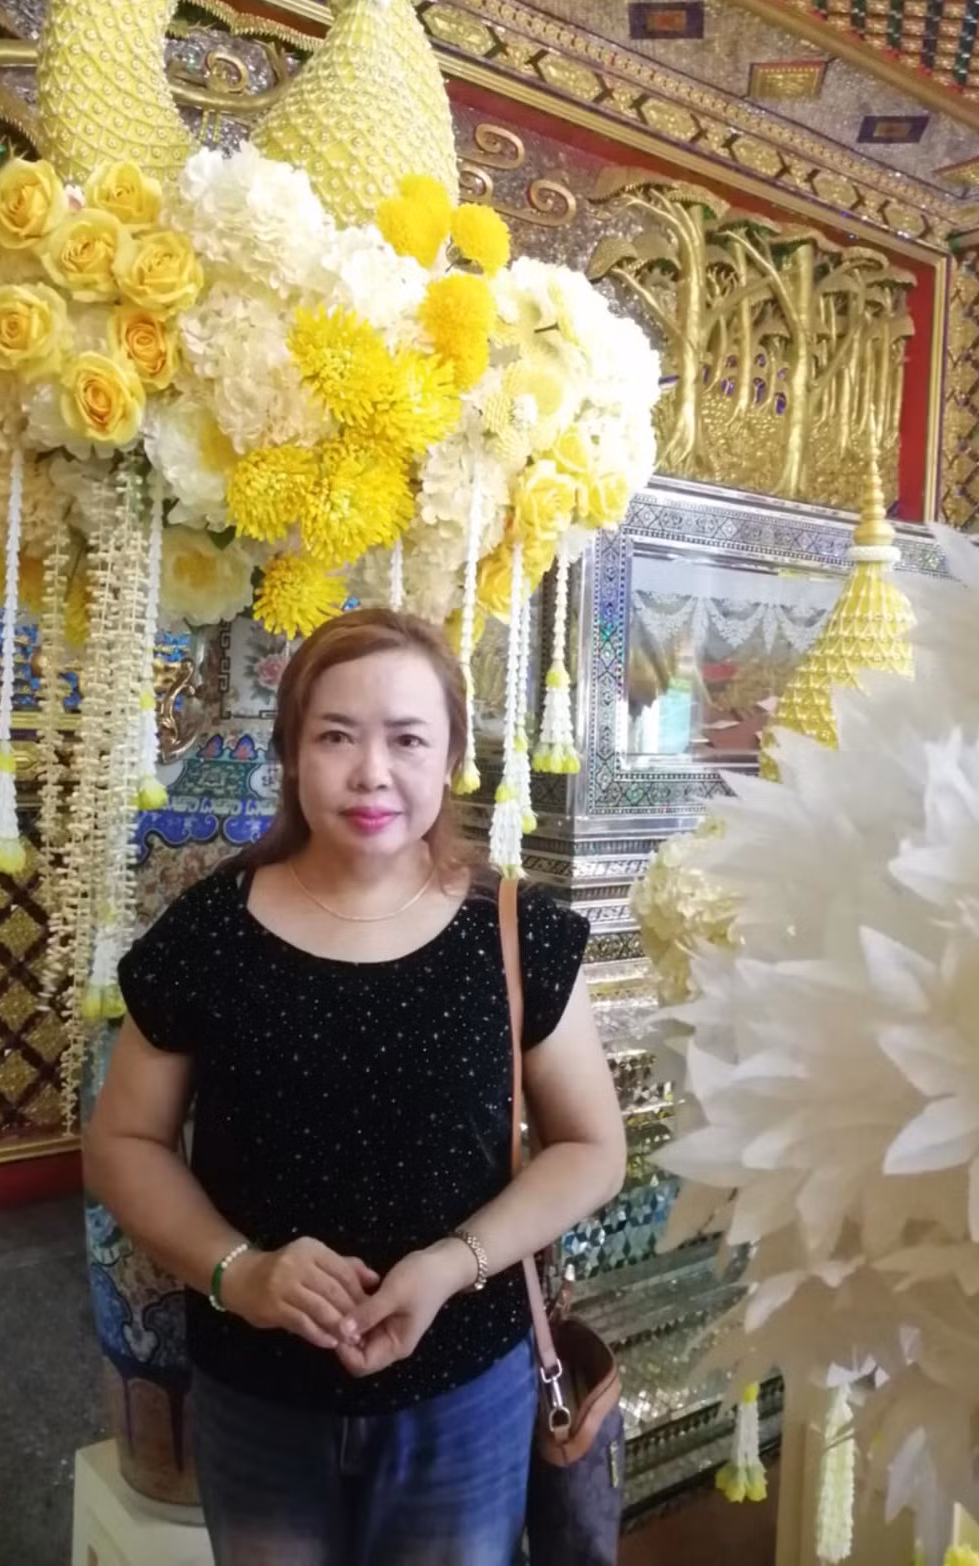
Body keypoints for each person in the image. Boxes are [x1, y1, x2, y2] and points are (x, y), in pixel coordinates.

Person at [85, 606, 628, 1566]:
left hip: (465, 1389)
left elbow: (592, 1148)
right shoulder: (210, 932)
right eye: (336, 736)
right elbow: (124, 1143)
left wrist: (452, 1264)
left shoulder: (516, 935)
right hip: (258, 1391)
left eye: (407, 739)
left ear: (451, 755)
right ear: (292, 753)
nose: (372, 772)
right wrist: (239, 1271)